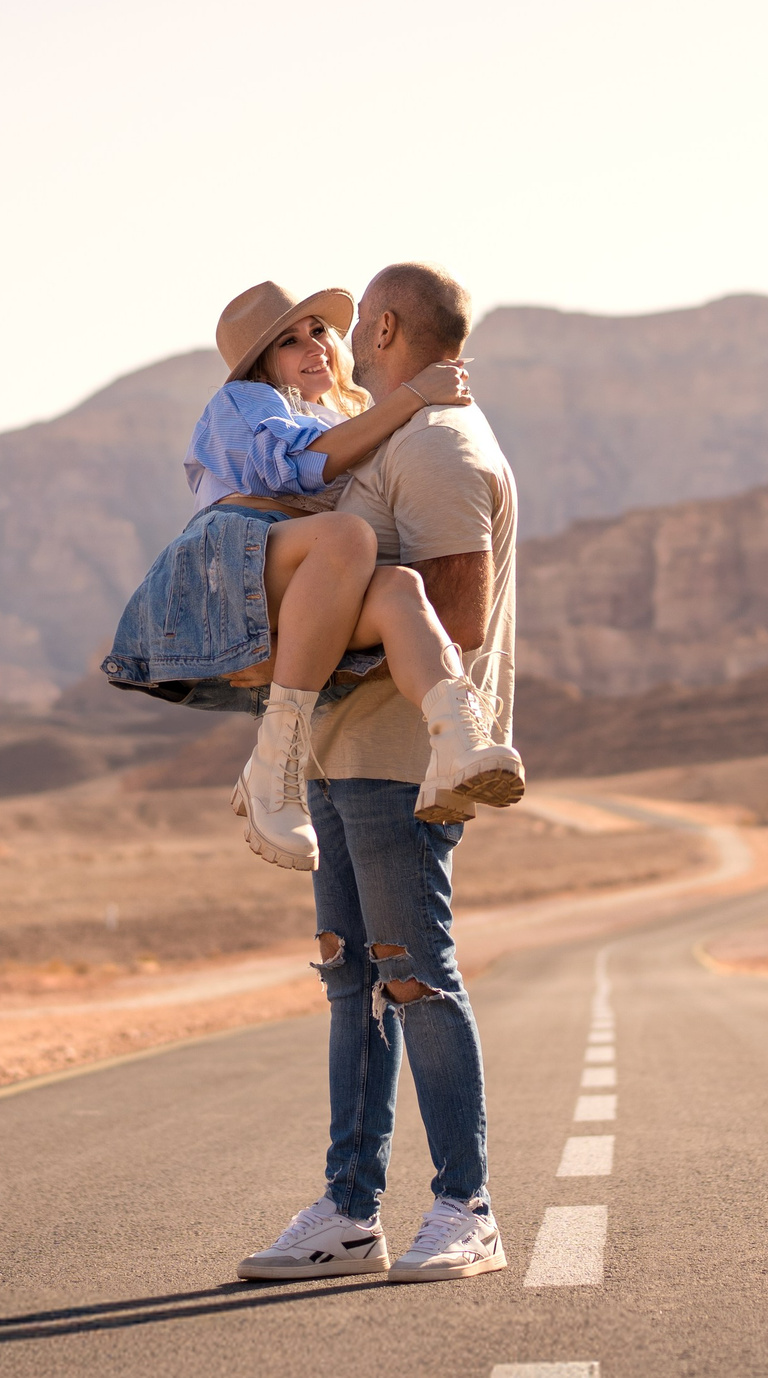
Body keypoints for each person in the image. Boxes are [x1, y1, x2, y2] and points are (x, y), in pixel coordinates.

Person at [236, 262, 516, 1285]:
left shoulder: (437, 443)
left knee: (415, 974)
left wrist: (302, 630)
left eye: (357, 326)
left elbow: (458, 617)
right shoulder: (390, 436)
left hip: (401, 762)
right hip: (340, 751)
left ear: (387, 327)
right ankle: (349, 1214)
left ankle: (465, 1205)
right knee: (354, 981)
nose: (343, 344)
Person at [100, 281, 526, 873]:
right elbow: (295, 466)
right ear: (261, 365)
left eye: (319, 331)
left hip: (304, 578)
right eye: (289, 342)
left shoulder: (343, 416)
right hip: (226, 565)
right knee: (350, 536)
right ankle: (274, 767)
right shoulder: (245, 401)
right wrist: (412, 397)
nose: (315, 347)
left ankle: (456, 742)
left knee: (402, 591)